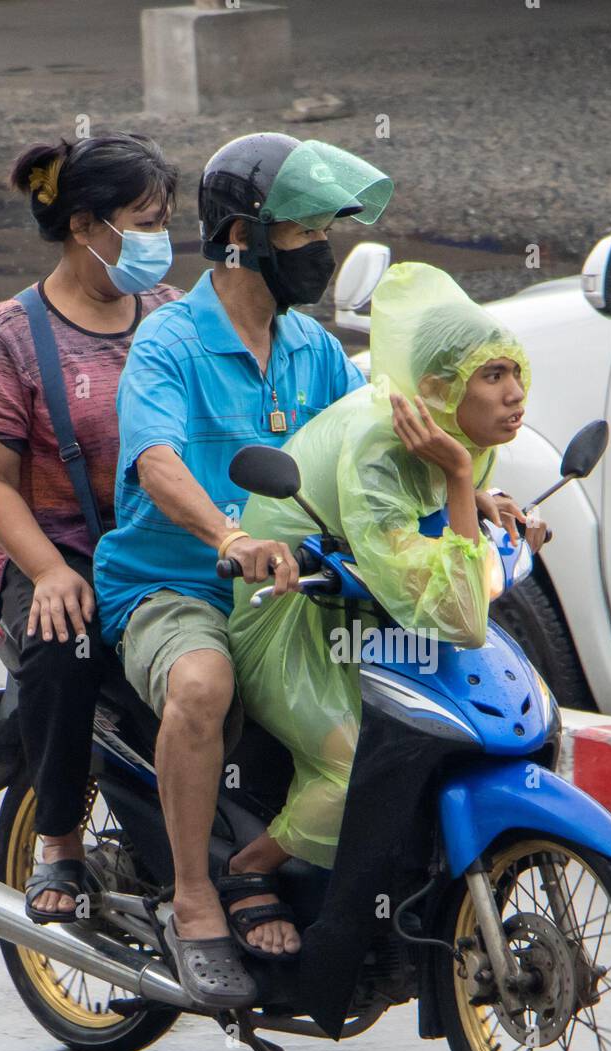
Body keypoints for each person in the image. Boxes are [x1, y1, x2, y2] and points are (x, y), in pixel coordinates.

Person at [94, 133, 392, 1008]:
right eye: (301, 233)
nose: (319, 253)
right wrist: (227, 536)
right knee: (203, 679)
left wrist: (470, 498)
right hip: (173, 583)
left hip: (288, 589)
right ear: (240, 237)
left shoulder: (316, 349)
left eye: (322, 233)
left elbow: (365, 456)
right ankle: (196, 900)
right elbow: (155, 460)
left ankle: (286, 869)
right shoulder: (169, 343)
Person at [228, 261, 542, 871]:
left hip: (366, 606)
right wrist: (457, 478)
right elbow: (455, 613)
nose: (515, 394)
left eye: (517, 373)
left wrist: (488, 506)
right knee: (352, 774)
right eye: (494, 375)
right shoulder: (386, 445)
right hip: (292, 616)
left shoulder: (459, 432)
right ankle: (243, 875)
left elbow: (439, 533)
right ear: (435, 387)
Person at [0, 133, 179, 923]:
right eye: (143, 221)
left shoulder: (169, 313)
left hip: (157, 551)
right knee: (66, 636)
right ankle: (58, 843)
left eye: (164, 221)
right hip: (60, 554)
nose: (160, 239)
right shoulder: (11, 335)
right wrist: (49, 570)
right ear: (86, 227)